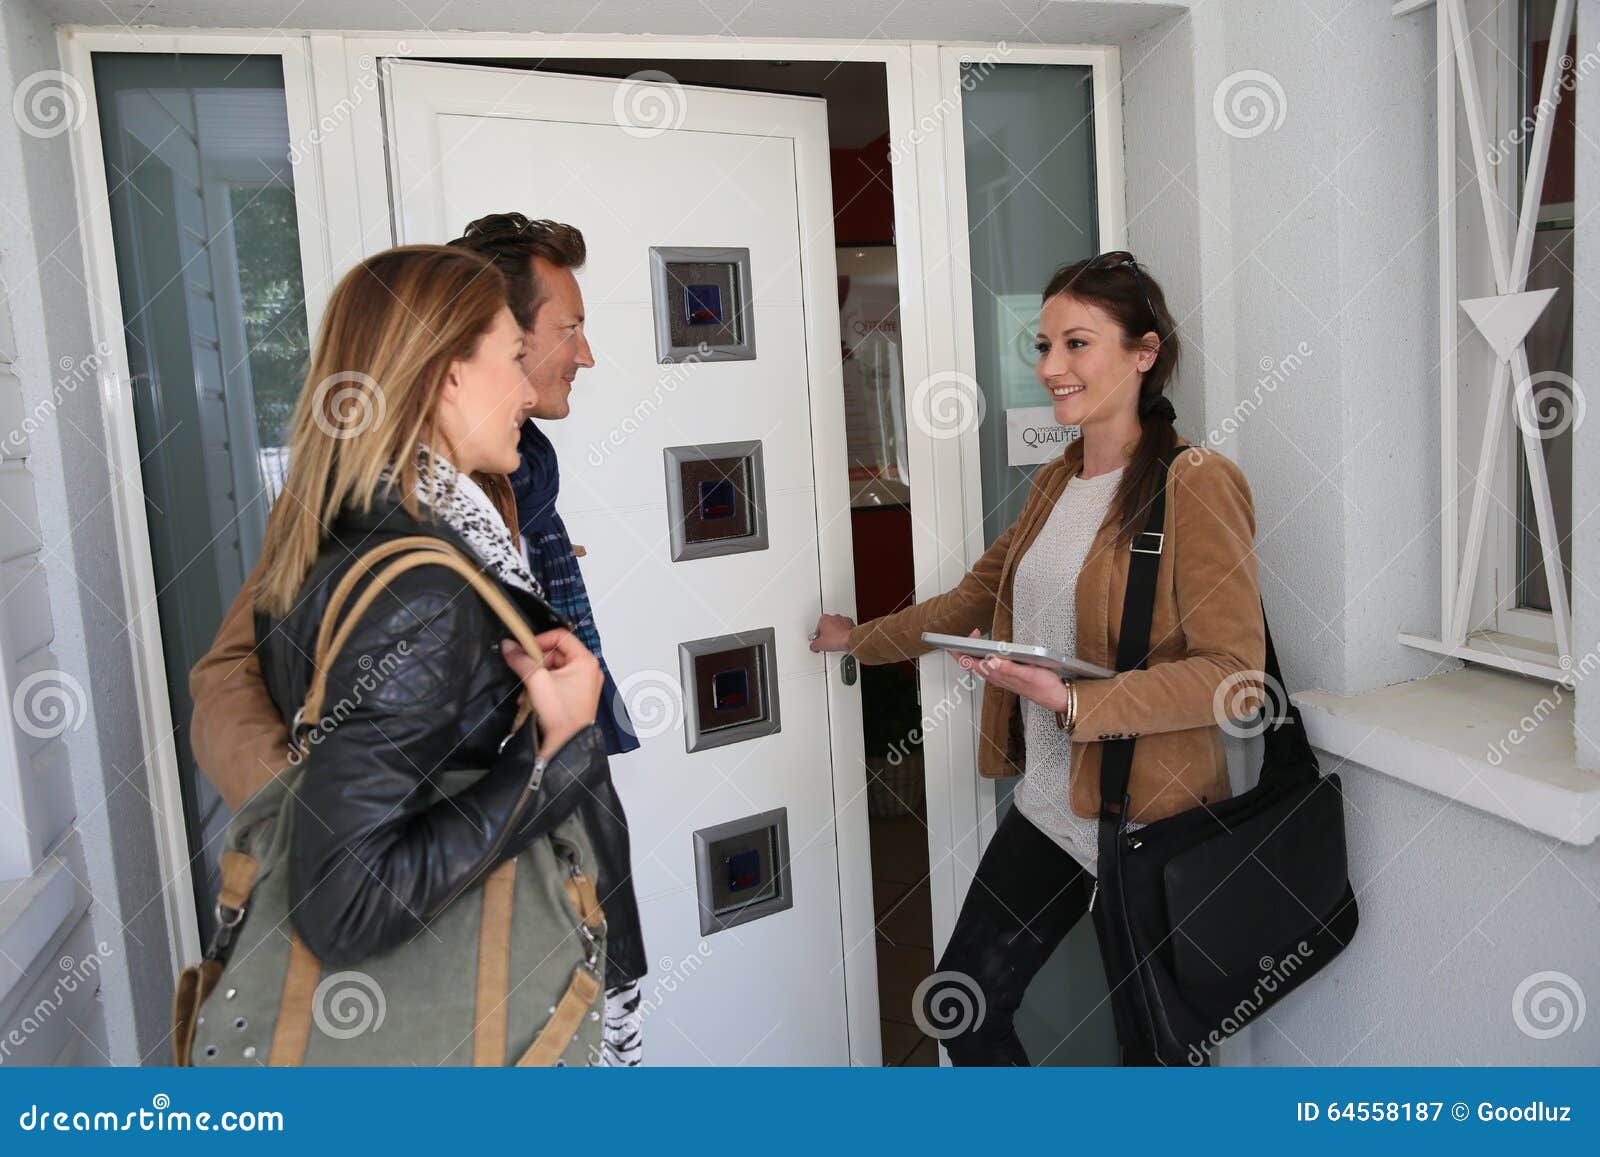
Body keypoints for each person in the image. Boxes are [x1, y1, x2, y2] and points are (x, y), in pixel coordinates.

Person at [190, 222, 647, 1065]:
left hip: (477, 929)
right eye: (532, 345)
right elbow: (347, 892)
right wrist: (559, 751)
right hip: (447, 982)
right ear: (446, 369)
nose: (576, 358)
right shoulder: (402, 559)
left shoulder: (476, 492)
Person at [810, 252, 1266, 1066]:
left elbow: (1233, 676)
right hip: (1053, 807)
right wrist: (860, 640)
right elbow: (966, 604)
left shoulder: (1195, 481)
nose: (1052, 367)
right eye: (1043, 345)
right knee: (962, 1009)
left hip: (1152, 820)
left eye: (1077, 344)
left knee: (1159, 1055)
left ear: (1144, 352)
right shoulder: (1057, 483)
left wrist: (1070, 701)